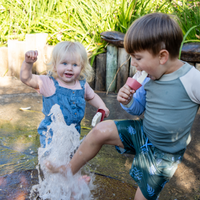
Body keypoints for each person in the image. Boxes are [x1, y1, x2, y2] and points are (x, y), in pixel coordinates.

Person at [46, 13, 200, 200]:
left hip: (163, 154)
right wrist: (127, 101)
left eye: (137, 58)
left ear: (162, 57)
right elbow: (138, 109)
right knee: (100, 130)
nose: (133, 64)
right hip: (143, 133)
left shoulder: (191, 80)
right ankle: (68, 170)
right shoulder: (147, 77)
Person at [20, 41, 110, 148]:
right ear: (54, 65)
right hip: (51, 134)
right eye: (64, 63)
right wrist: (28, 63)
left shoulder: (82, 85)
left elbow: (92, 96)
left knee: (70, 160)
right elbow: (27, 78)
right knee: (50, 160)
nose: (69, 68)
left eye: (75, 64)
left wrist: (102, 106)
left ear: (81, 67)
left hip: (73, 133)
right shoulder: (49, 83)